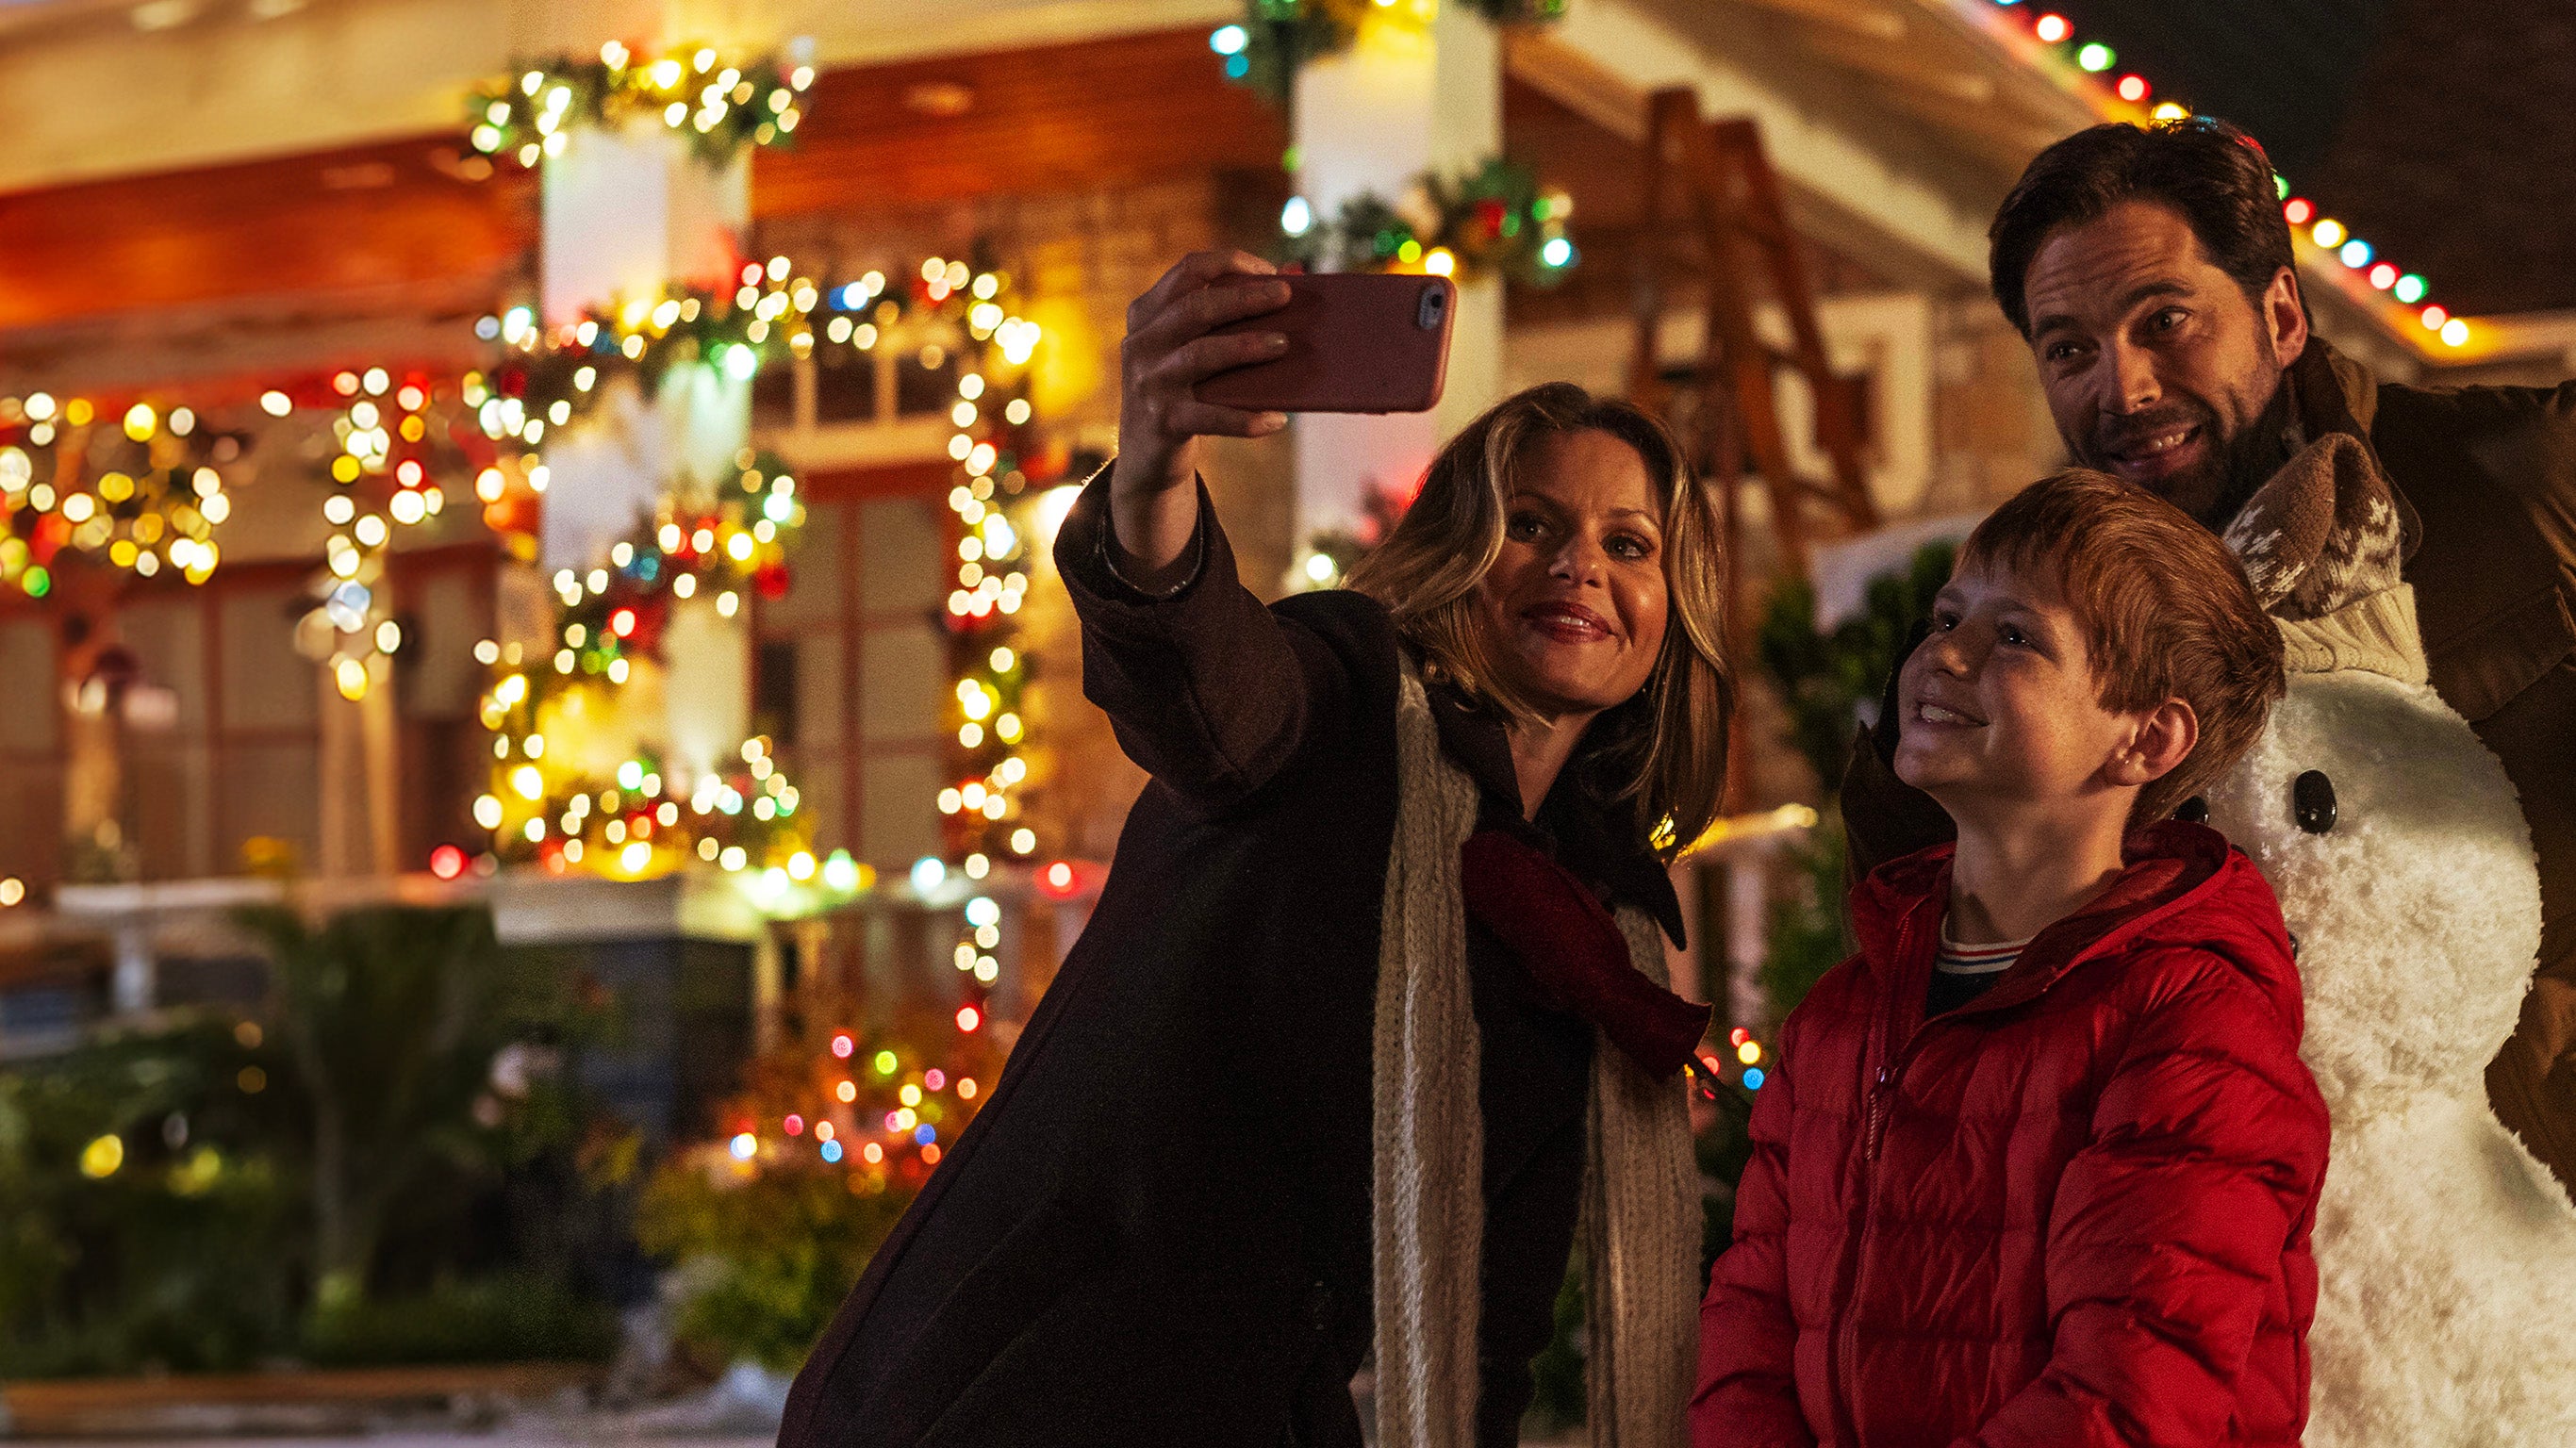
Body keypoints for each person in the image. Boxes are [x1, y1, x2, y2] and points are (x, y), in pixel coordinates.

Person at [776, 251, 1729, 1448]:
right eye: (1527, 523)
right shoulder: (1340, 698)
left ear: (1671, 606)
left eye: (1628, 542)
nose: (1577, 563)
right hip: (1013, 1388)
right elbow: (1210, 689)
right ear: (1457, 551)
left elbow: (1491, 1327)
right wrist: (1150, 480)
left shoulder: (1592, 928)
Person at [1841, 116, 2576, 1192]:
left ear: (2280, 314)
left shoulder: (2520, 480)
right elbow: (1920, 952)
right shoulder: (2025, 626)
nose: (2121, 388)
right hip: (2238, 1255)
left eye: (2164, 320)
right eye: (2068, 349)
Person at [1696, 470, 2330, 1447]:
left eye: (2013, 636)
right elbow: (1749, 1324)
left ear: (2145, 737)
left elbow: (2128, 1401)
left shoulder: (2194, 1025)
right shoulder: (1840, 1017)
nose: (1940, 651)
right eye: (1947, 615)